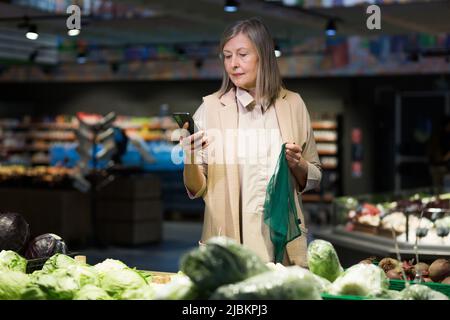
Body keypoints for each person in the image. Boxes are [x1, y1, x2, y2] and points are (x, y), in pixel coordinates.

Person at [180, 18, 321, 267]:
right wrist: (189, 157)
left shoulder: (294, 105)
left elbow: (315, 175)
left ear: (263, 56)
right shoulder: (211, 109)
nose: (233, 64)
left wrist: (298, 165)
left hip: (281, 243)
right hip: (228, 244)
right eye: (227, 56)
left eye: (243, 55)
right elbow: (196, 189)